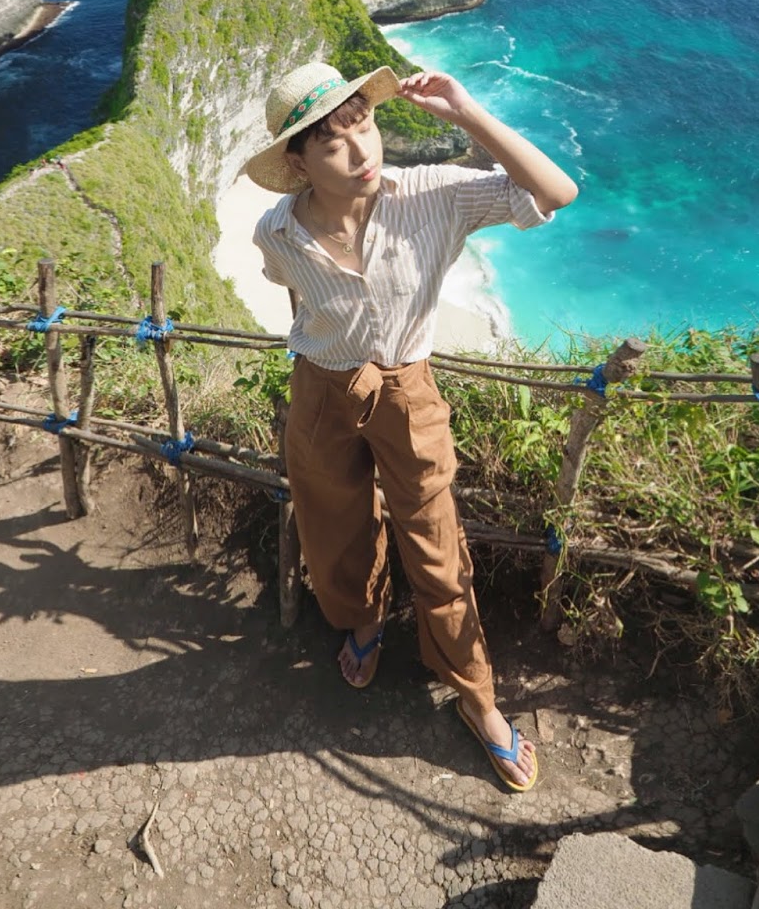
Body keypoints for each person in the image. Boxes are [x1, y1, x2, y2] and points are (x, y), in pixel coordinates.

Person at [245, 60, 578, 793]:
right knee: (333, 524)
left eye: (363, 125)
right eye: (332, 143)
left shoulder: (433, 194)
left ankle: (477, 698)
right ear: (298, 164)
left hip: (406, 393)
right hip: (321, 388)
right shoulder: (277, 230)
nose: (360, 150)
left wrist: (467, 113)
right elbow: (298, 295)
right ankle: (363, 623)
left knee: (436, 546)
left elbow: (556, 192)